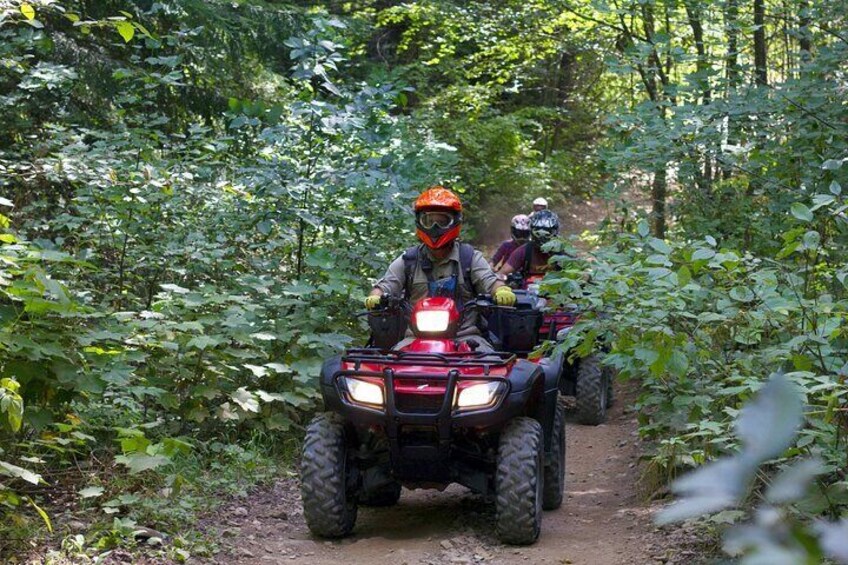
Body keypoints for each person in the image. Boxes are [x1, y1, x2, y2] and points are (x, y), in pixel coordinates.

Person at [365, 186, 516, 349]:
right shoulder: (408, 260)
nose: (435, 227)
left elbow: (490, 281)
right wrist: (375, 296)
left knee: (492, 369)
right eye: (429, 221)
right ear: (419, 222)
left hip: (466, 338)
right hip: (414, 338)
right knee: (388, 368)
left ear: (455, 221)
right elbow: (386, 285)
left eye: (442, 221)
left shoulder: (469, 257)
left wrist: (501, 291)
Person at [498, 210, 560, 281]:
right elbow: (501, 274)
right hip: (527, 290)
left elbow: (575, 273)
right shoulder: (524, 251)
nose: (542, 237)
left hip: (556, 290)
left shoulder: (563, 252)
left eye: (546, 233)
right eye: (538, 232)